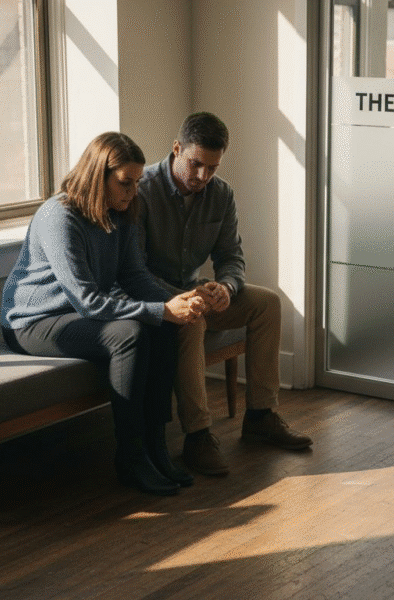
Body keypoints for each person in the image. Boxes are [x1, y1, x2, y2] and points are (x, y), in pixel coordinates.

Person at [0, 132, 207, 496]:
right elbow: (87, 301)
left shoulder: (123, 212)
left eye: (138, 182)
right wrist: (160, 309)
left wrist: (177, 302)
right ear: (99, 175)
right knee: (129, 333)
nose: (132, 192)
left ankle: (156, 447)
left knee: (160, 326)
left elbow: (134, 277)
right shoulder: (60, 217)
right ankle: (129, 455)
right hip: (34, 321)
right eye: (125, 183)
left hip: (78, 315)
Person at [137, 112, 312, 477]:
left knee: (267, 303)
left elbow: (231, 257)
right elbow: (135, 271)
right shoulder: (142, 191)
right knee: (192, 321)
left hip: (198, 291)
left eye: (212, 168)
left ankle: (261, 416)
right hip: (158, 299)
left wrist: (227, 288)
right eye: (195, 164)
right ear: (175, 149)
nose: (203, 176)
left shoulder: (222, 194)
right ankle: (198, 436)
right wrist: (184, 299)